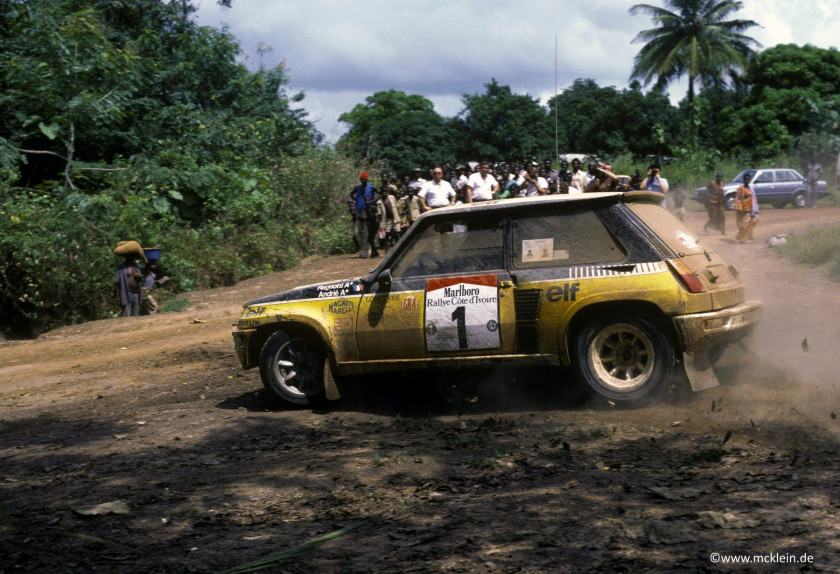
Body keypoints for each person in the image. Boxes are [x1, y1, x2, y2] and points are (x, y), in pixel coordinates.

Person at [349, 172, 376, 258]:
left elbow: (381, 193)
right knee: (357, 233)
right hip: (359, 213)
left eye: (365, 179)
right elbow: (351, 194)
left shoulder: (371, 187)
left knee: (366, 234)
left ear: (367, 180)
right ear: (360, 179)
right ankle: (363, 249)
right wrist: (356, 200)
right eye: (362, 179)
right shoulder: (357, 188)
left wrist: (372, 202)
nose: (363, 180)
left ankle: (367, 251)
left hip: (368, 213)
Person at [734, 172, 758, 242]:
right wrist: (739, 208)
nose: (746, 181)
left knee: (747, 225)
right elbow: (737, 198)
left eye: (748, 179)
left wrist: (754, 209)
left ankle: (743, 239)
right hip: (741, 210)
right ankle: (742, 236)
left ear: (749, 180)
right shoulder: (740, 188)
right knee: (740, 225)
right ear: (743, 180)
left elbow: (754, 199)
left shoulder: (751, 189)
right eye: (745, 179)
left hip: (748, 209)